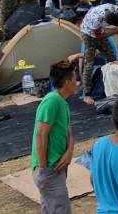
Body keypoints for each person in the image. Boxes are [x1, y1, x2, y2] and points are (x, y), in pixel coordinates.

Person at [32, 61, 77, 214]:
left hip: (57, 166)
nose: (77, 82)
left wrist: (69, 151)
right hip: (50, 169)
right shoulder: (52, 100)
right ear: (67, 82)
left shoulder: (62, 103)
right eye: (74, 78)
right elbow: (41, 134)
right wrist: (44, 168)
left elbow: (68, 130)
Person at [78, 4, 118, 104]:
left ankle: (112, 82)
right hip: (88, 34)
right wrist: (114, 31)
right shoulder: (96, 19)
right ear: (106, 21)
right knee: (89, 64)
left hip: (100, 31)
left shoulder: (115, 9)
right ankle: (87, 94)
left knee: (111, 56)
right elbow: (98, 37)